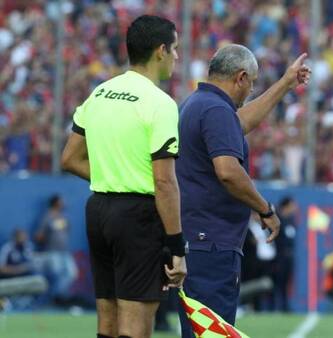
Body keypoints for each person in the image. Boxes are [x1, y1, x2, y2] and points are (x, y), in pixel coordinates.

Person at [61, 15, 187, 338]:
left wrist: (111, 174)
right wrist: (177, 247)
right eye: (174, 49)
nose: (177, 57)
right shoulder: (161, 104)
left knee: (107, 321)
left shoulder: (101, 93)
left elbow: (69, 158)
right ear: (160, 51)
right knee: (135, 323)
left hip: (99, 211)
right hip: (137, 218)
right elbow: (164, 182)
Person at [176, 44, 310, 333]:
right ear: (240, 77)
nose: (250, 90)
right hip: (212, 243)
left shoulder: (197, 104)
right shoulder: (215, 109)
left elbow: (240, 123)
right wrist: (265, 209)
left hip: (196, 241)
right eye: (251, 82)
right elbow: (227, 172)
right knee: (212, 332)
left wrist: (285, 83)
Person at [35, 194, 77, 304]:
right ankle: (55, 298)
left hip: (65, 251)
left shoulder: (63, 217)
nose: (64, 203)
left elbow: (66, 232)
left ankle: (57, 295)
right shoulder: (47, 216)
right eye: (61, 201)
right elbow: (39, 235)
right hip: (52, 252)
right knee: (56, 274)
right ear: (55, 203)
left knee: (72, 273)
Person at [273, 196, 298, 312]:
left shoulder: (291, 221)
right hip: (278, 258)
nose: (294, 208)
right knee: (277, 283)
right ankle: (274, 307)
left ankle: (285, 306)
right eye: (292, 206)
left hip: (288, 257)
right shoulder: (277, 220)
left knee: (286, 283)